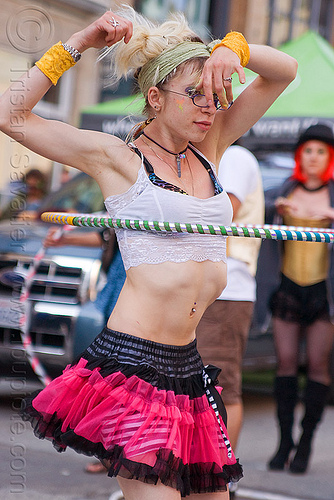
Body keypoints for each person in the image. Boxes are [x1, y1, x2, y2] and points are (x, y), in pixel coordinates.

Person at [0, 6, 297, 498]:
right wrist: (81, 40)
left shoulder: (214, 144)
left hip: (188, 365)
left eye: (216, 94)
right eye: (195, 95)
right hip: (134, 366)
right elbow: (10, 116)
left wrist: (233, 48)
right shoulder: (118, 159)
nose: (210, 106)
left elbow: (283, 71)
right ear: (154, 98)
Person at [196, 144, 264, 497]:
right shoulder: (201, 158)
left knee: (221, 387)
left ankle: (222, 478)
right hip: (201, 285)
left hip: (227, 289)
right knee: (193, 387)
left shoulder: (235, 157)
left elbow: (223, 212)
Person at [267, 124, 334, 474]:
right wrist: (274, 211)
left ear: (330, 157)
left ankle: (306, 443)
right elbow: (261, 228)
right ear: (299, 156)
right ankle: (283, 442)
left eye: (321, 151)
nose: (313, 157)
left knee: (319, 366)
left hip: (324, 292)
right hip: (289, 288)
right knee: (286, 362)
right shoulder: (285, 189)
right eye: (308, 150)